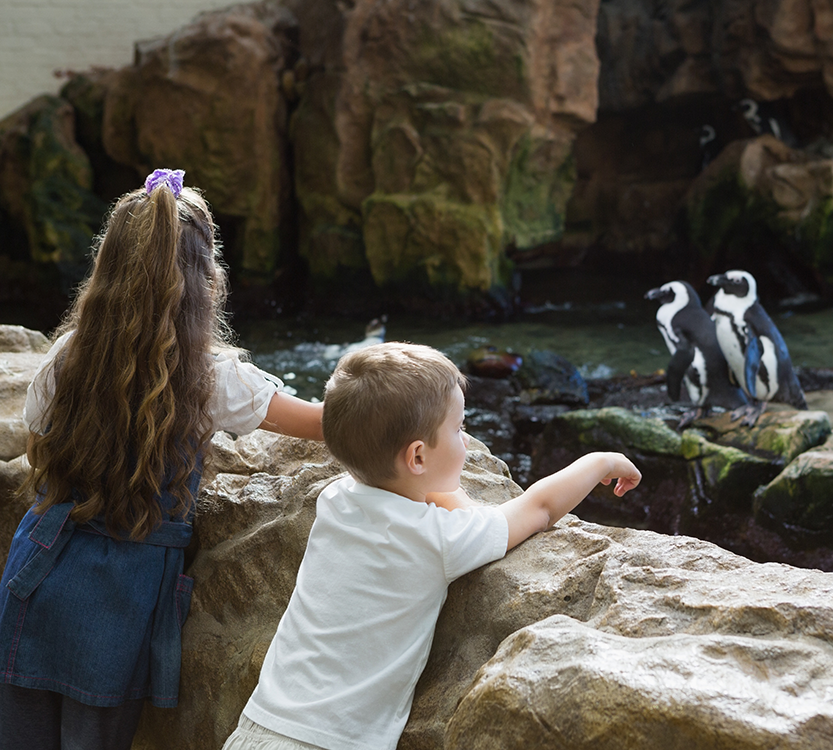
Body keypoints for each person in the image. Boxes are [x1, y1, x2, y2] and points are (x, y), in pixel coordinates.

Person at [0, 169, 324, 750]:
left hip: (38, 570)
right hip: (120, 600)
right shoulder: (214, 376)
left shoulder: (68, 355)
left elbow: (38, 441)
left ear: (108, 268)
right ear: (208, 281)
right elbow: (327, 423)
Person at [223, 342, 641, 750]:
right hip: (334, 741)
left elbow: (429, 496)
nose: (466, 439)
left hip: (259, 723)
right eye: (459, 429)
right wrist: (600, 461)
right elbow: (541, 508)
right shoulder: (440, 539)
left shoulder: (336, 499)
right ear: (418, 458)